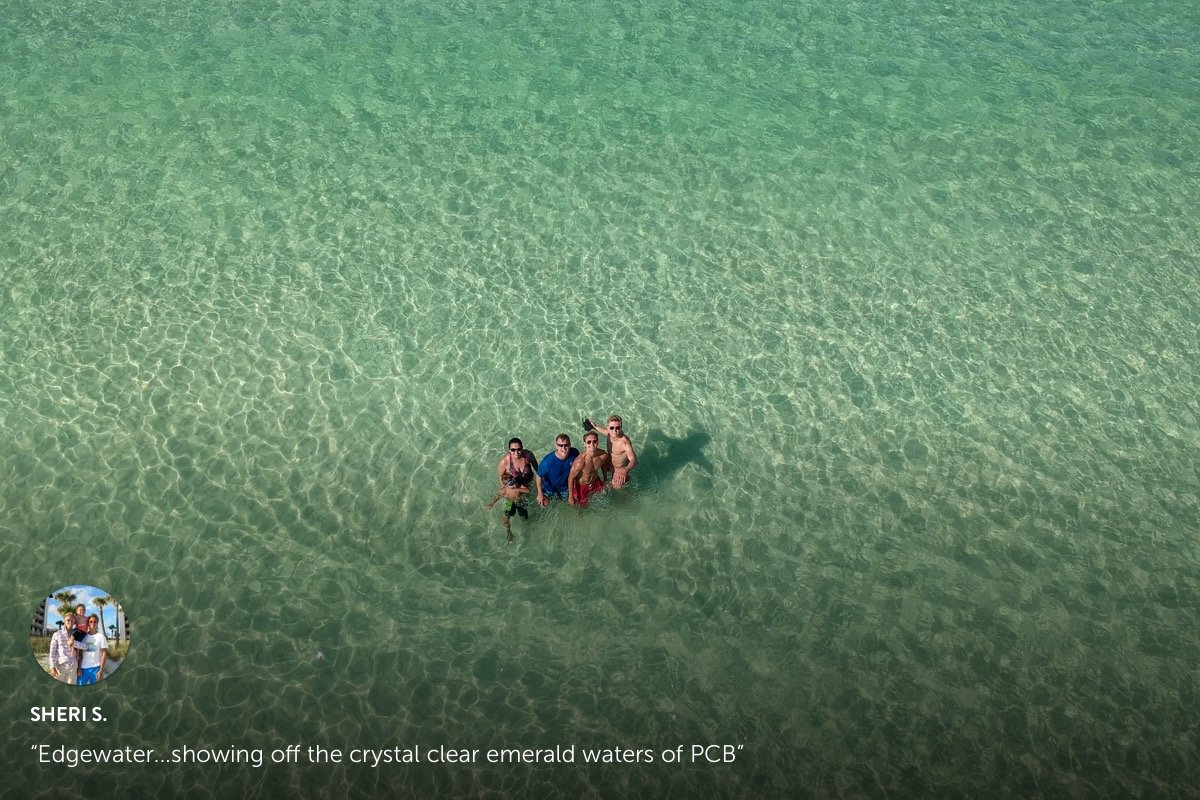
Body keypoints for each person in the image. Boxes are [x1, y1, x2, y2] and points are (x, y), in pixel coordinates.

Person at [487, 438, 540, 543]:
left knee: (524, 516)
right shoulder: (504, 462)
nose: (516, 452)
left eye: (519, 449)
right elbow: (501, 479)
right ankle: (509, 533)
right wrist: (506, 489)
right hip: (510, 498)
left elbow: (538, 470)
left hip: (523, 491)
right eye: (513, 450)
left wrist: (539, 486)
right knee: (506, 517)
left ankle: (527, 530)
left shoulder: (528, 456)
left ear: (522, 448)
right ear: (509, 450)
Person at [586, 414, 638, 488]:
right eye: (611, 428)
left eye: (617, 428)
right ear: (608, 428)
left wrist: (626, 470)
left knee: (617, 487)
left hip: (618, 470)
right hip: (609, 465)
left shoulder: (624, 442)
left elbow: (634, 460)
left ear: (621, 428)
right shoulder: (609, 434)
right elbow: (603, 430)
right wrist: (594, 426)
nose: (614, 430)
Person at [568, 431, 611, 507]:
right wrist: (570, 496)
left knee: (606, 496)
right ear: (585, 444)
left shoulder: (603, 455)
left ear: (598, 442)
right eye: (589, 442)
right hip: (582, 486)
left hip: (595, 481)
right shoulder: (580, 462)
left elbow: (603, 464)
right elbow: (570, 478)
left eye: (594, 441)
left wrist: (605, 479)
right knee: (583, 508)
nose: (592, 444)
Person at [536, 434, 579, 506]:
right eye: (560, 445)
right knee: (543, 504)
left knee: (573, 504)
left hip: (565, 488)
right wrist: (540, 494)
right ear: (556, 446)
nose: (564, 448)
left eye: (566, 445)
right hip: (549, 489)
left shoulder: (574, 453)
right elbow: (538, 476)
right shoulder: (547, 461)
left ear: (570, 445)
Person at [75, 615, 108, 686]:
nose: (93, 623)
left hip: (96, 668)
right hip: (83, 668)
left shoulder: (101, 637)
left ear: (97, 623)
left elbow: (104, 654)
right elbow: (80, 653)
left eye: (95, 622)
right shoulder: (83, 636)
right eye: (90, 621)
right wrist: (79, 668)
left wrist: (101, 671)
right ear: (88, 623)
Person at [48, 612, 79, 685]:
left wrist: (73, 642)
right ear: (64, 621)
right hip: (60, 666)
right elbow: (52, 652)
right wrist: (52, 666)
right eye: (68, 620)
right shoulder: (57, 634)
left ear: (74, 622)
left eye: (72, 621)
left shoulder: (77, 634)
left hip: (73, 666)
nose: (70, 622)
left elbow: (85, 646)